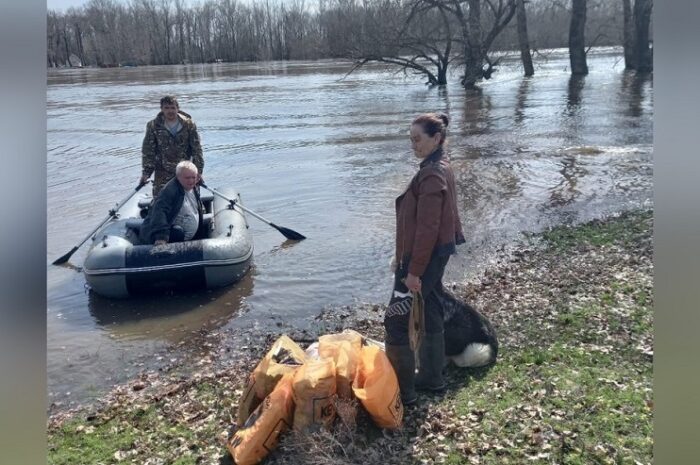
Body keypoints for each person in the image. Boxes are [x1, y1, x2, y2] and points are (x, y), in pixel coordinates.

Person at [384, 112, 465, 406]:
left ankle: (403, 393)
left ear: (437, 138)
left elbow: (428, 229)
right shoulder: (439, 166)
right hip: (435, 255)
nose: (413, 145)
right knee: (429, 307)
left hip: (423, 259)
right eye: (410, 140)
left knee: (395, 321)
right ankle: (432, 379)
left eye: (418, 139)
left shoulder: (432, 174)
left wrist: (413, 271)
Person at [140, 95, 204, 196]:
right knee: (161, 201)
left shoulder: (188, 124)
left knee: (190, 199)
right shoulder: (153, 126)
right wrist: (146, 173)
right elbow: (148, 151)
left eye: (173, 108)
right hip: (162, 172)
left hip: (185, 170)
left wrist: (198, 171)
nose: (170, 111)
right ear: (162, 109)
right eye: (167, 108)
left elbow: (197, 149)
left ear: (177, 108)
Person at [138, 161, 205, 246]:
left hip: (189, 238)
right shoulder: (170, 191)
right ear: (178, 177)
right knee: (177, 232)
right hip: (170, 235)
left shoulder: (192, 187)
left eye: (193, 177)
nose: (191, 181)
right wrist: (161, 237)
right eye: (187, 178)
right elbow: (159, 212)